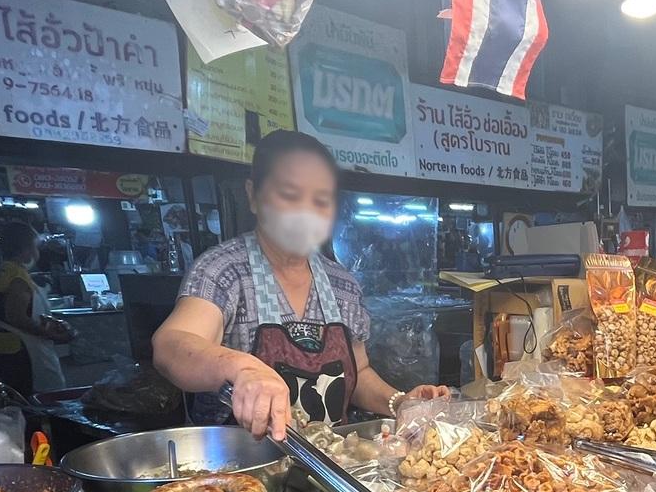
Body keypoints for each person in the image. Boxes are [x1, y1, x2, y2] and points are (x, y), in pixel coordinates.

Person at [152, 130, 446, 440]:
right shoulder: (225, 271)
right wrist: (242, 368)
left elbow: (358, 374)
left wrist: (399, 402)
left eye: (320, 200)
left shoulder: (342, 284)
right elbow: (170, 346)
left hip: (330, 460)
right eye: (290, 195)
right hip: (245, 463)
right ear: (253, 195)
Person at [0, 222, 72, 396]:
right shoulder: (17, 276)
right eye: (35, 247)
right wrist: (51, 334)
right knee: (36, 399)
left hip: (1, 347)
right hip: (24, 351)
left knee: (14, 396)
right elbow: (16, 317)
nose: (37, 253)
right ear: (25, 249)